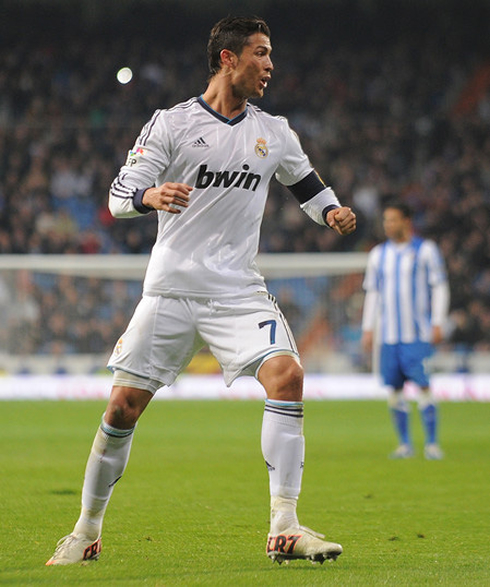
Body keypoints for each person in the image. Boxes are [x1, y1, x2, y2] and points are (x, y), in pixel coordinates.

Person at [46, 15, 356, 566]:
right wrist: (150, 198)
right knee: (122, 408)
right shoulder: (171, 124)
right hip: (170, 292)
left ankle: (284, 526)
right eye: (260, 53)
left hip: (237, 290)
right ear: (228, 59)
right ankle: (86, 530)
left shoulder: (274, 131)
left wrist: (329, 209)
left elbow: (306, 183)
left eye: (270, 53)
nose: (270, 64)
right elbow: (119, 195)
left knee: (287, 376)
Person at [361, 202, 449, 460]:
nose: (388, 225)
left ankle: (432, 444)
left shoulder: (426, 250)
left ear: (407, 222)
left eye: (393, 220)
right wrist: (368, 328)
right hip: (389, 336)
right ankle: (404, 444)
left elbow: (440, 287)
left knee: (423, 385)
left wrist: (438, 322)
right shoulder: (378, 254)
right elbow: (373, 293)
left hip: (416, 334)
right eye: (386, 220)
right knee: (395, 389)